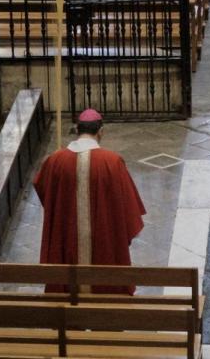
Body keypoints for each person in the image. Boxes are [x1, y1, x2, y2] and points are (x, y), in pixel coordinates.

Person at [34, 109, 146, 294]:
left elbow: (45, 193)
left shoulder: (55, 161)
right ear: (101, 131)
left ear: (77, 129)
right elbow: (129, 210)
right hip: (105, 246)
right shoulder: (113, 162)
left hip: (66, 238)